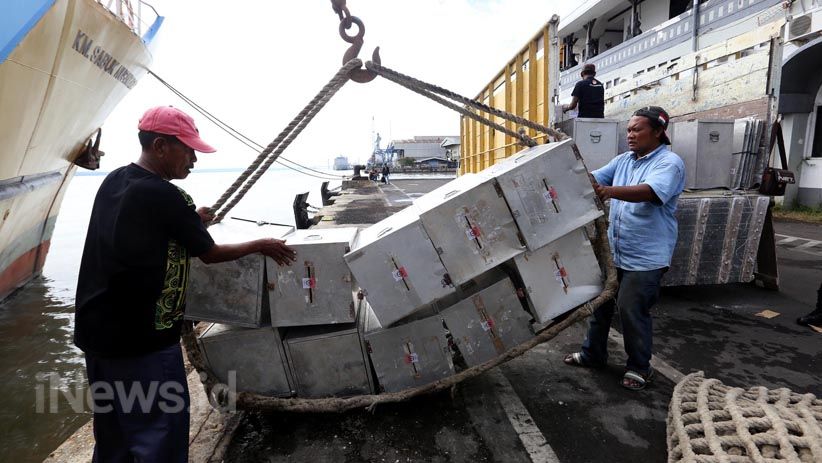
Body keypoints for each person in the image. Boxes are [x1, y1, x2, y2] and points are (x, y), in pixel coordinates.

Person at [74, 106, 297, 462]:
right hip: (142, 343)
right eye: (189, 150)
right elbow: (210, 254)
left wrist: (191, 221)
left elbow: (140, 229)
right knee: (159, 436)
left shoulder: (115, 180)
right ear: (160, 146)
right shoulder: (167, 196)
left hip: (97, 337)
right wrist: (261, 244)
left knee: (114, 435)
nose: (194, 159)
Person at [564, 106, 685, 391]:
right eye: (628, 130)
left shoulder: (669, 163)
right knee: (600, 306)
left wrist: (609, 191)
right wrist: (569, 169)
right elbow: (594, 178)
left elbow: (651, 192)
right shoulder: (623, 161)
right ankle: (593, 355)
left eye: (637, 129)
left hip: (646, 257)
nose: (630, 135)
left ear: (658, 132)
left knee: (631, 310)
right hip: (615, 252)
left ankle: (639, 367)